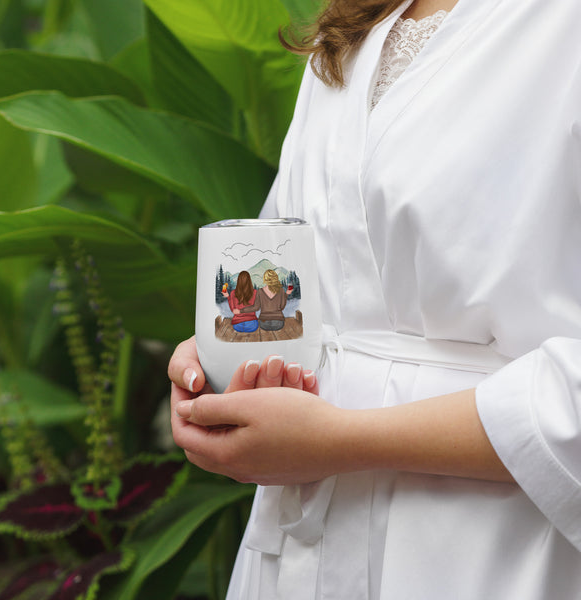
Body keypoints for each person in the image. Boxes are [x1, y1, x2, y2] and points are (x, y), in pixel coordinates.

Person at [169, 0, 581, 598]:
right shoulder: (355, 24)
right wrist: (227, 354)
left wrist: (340, 440)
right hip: (304, 546)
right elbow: (301, 273)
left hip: (494, 546)